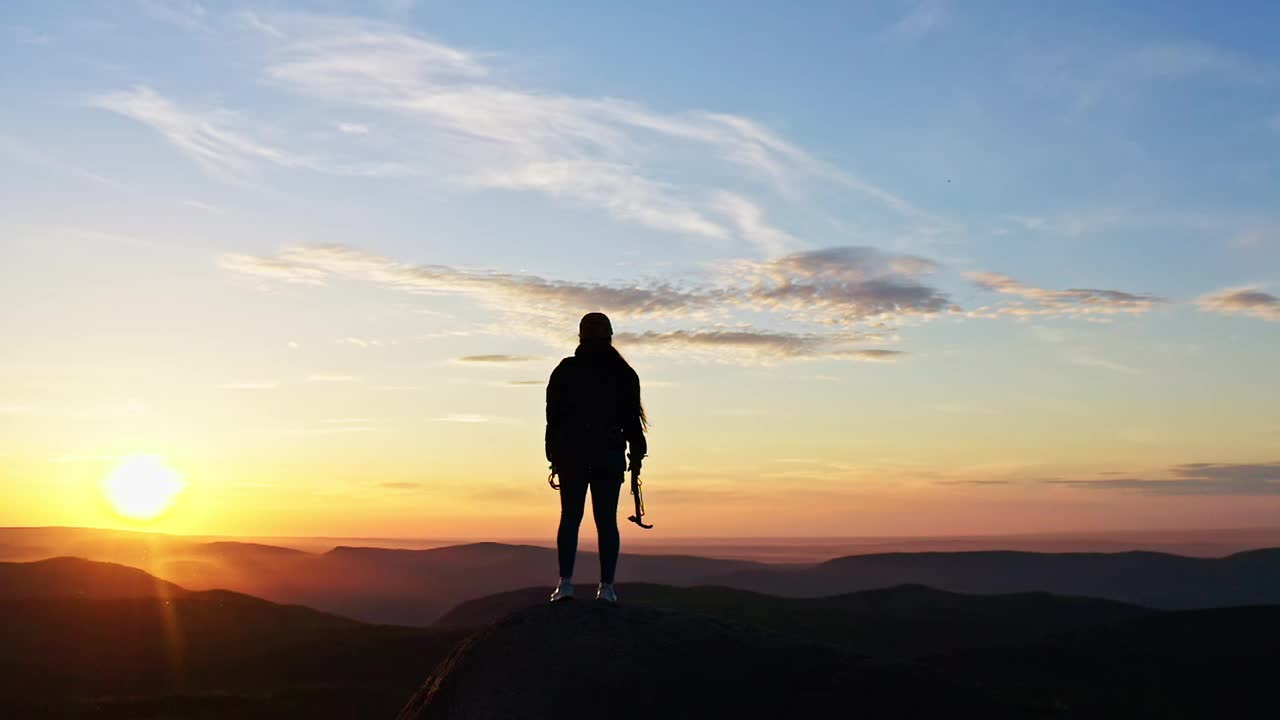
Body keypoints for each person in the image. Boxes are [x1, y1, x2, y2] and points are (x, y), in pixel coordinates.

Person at [545, 312, 647, 604]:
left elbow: (553, 417)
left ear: (581, 337)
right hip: (608, 454)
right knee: (606, 521)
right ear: (609, 337)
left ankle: (565, 585)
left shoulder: (565, 370)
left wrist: (552, 452)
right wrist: (636, 454)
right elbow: (632, 421)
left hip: (572, 455)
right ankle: (607, 588)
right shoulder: (623, 373)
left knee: (570, 518)